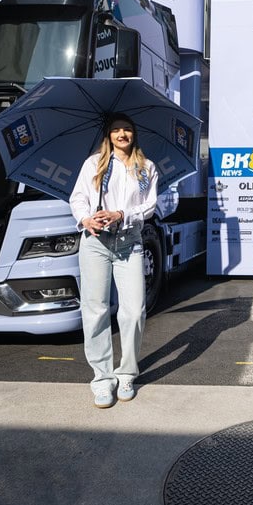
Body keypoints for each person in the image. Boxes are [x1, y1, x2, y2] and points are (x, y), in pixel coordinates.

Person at [69, 114, 158, 408]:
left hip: (129, 242)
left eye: (127, 129)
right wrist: (86, 218)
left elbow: (149, 206)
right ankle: (102, 380)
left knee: (133, 311)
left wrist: (121, 214)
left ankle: (127, 374)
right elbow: (78, 197)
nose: (122, 134)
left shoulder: (146, 168)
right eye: (116, 130)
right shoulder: (93, 164)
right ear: (108, 135)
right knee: (95, 310)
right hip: (95, 242)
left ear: (134, 134)